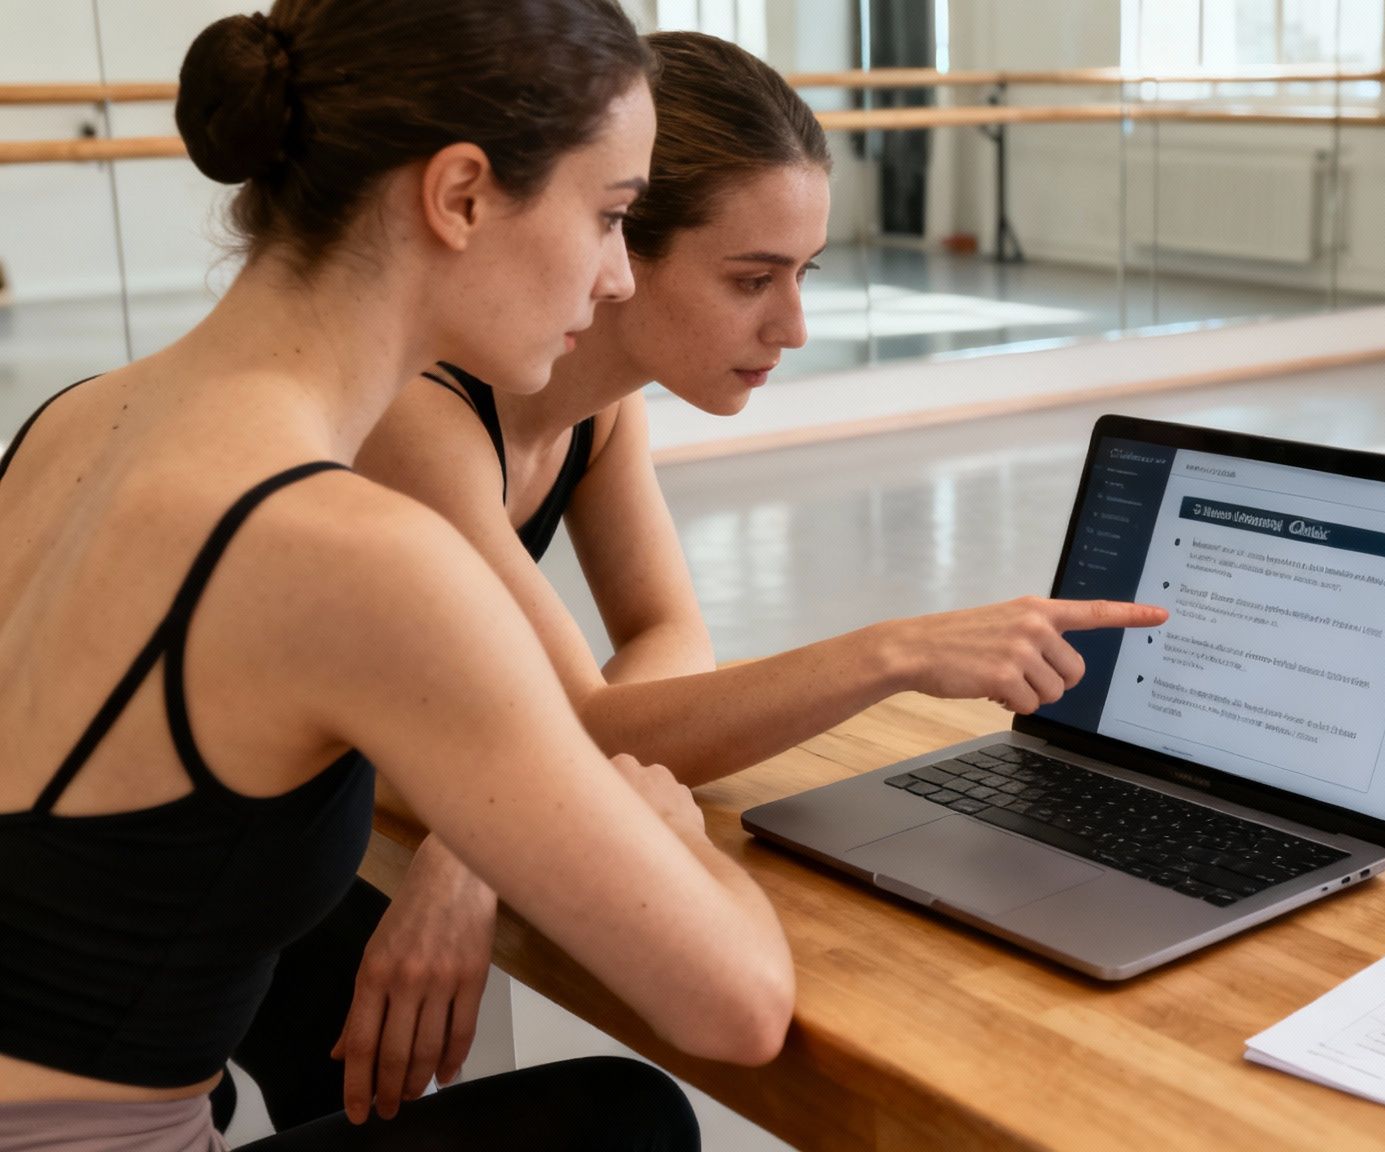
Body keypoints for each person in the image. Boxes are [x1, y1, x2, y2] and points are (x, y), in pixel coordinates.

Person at [207, 30, 1169, 1133]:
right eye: (750, 280)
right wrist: (891, 652)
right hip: (265, 893)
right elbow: (591, 717)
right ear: (617, 244)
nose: (791, 327)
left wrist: (483, 833)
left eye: (803, 275)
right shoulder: (423, 411)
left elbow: (662, 638)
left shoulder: (596, 410)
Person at [0, 3, 791, 1149]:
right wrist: (663, 822)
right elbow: (740, 1005)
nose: (618, 276)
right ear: (460, 195)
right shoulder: (347, 549)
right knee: (626, 1124)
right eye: (611, 214)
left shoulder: (71, 420)